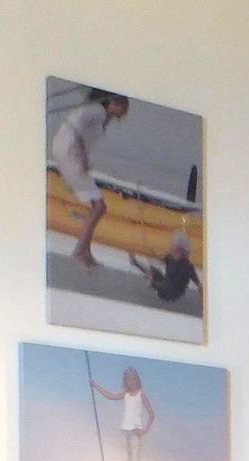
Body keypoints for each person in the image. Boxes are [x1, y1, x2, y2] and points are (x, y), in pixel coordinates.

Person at [51, 89, 130, 269]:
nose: (124, 114)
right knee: (99, 207)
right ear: (114, 103)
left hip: (67, 152)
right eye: (123, 108)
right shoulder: (96, 111)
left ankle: (84, 250)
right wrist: (84, 159)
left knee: (98, 207)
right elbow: (75, 127)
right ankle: (80, 251)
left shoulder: (100, 115)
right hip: (70, 154)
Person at [129, 229, 202, 305]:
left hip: (172, 292)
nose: (174, 252)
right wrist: (151, 254)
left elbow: (197, 283)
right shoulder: (170, 258)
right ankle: (135, 263)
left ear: (183, 253)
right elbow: (160, 260)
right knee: (154, 270)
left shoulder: (188, 267)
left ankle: (135, 263)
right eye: (174, 249)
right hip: (166, 284)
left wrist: (200, 288)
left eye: (178, 251)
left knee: (154, 275)